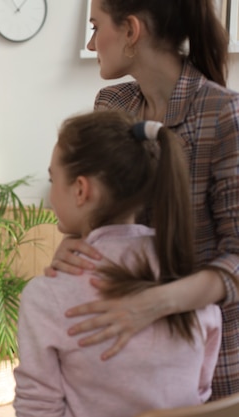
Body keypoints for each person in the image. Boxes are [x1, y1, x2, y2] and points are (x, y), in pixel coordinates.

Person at [46, 0, 239, 399]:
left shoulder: (224, 115)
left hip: (207, 364)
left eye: (97, 27)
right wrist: (73, 242)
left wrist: (152, 304)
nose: (91, 41)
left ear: (131, 31)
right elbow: (101, 217)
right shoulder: (112, 105)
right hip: (120, 357)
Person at [14, 110, 222, 417]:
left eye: (52, 178)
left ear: (81, 190)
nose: (51, 192)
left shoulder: (47, 296)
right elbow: (200, 391)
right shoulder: (190, 278)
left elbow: (37, 411)